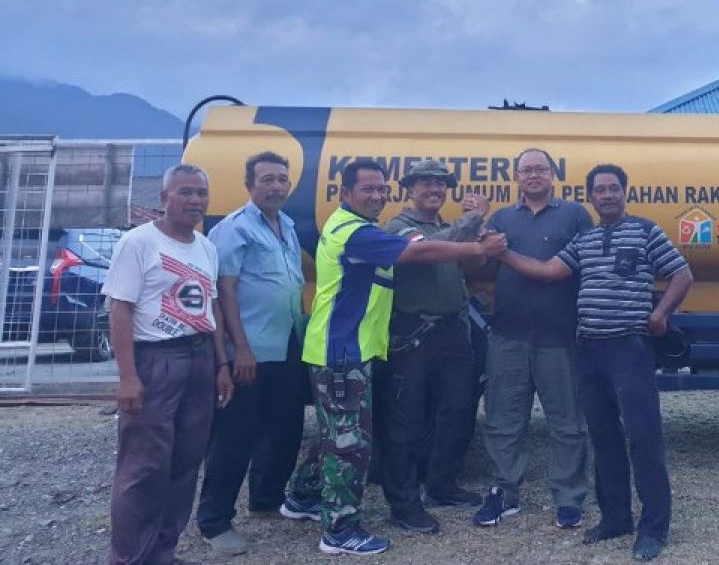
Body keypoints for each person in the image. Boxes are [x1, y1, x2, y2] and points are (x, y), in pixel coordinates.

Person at [280, 159, 506, 556]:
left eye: (379, 189)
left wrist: (475, 242)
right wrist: (474, 235)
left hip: (361, 346)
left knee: (338, 432)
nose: (376, 195)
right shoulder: (365, 232)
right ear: (346, 193)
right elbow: (417, 254)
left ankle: (300, 498)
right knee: (351, 441)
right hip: (344, 348)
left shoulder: (359, 227)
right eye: (368, 189)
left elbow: (459, 260)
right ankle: (340, 530)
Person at [501, 163, 693, 562]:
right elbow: (548, 271)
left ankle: (653, 528)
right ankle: (616, 518)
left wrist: (660, 315)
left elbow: (682, 274)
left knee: (643, 438)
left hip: (630, 349)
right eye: (599, 190)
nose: (607, 195)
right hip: (588, 350)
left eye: (613, 188)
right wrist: (503, 252)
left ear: (625, 192)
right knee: (603, 437)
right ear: (591, 197)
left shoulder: (645, 232)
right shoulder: (584, 239)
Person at [104, 163, 235, 565]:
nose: (194, 200)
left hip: (199, 358)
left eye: (200, 193)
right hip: (156, 359)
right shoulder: (139, 243)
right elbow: (120, 309)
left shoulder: (206, 246)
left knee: (184, 464)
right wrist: (128, 376)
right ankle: (129, 558)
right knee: (144, 469)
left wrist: (221, 364)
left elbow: (211, 306)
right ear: (164, 197)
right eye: (185, 192)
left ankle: (163, 552)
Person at [195, 152, 309, 555]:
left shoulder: (287, 225)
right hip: (251, 349)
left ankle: (266, 497)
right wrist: (238, 350)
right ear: (249, 185)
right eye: (267, 179)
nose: (276, 186)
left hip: (287, 343)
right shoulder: (234, 229)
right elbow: (224, 291)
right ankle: (214, 521)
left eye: (282, 179)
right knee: (234, 436)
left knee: (284, 427)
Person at [474, 148, 593, 530]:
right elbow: (479, 266)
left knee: (568, 422)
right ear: (517, 177)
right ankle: (503, 492)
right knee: (503, 420)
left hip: (560, 336)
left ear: (553, 174)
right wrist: (473, 228)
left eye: (540, 168)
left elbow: (580, 269)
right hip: (508, 334)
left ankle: (570, 498)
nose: (534, 175)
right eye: (526, 170)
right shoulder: (501, 218)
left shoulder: (575, 215)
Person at [377, 159, 490, 534]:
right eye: (425, 184)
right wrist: (473, 222)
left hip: (452, 331)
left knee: (457, 411)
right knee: (406, 421)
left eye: (440, 185)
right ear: (410, 189)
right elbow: (428, 252)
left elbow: (465, 268)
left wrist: (484, 248)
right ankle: (404, 504)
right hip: (414, 334)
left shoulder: (447, 228)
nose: (434, 190)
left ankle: (442, 485)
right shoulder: (400, 227)